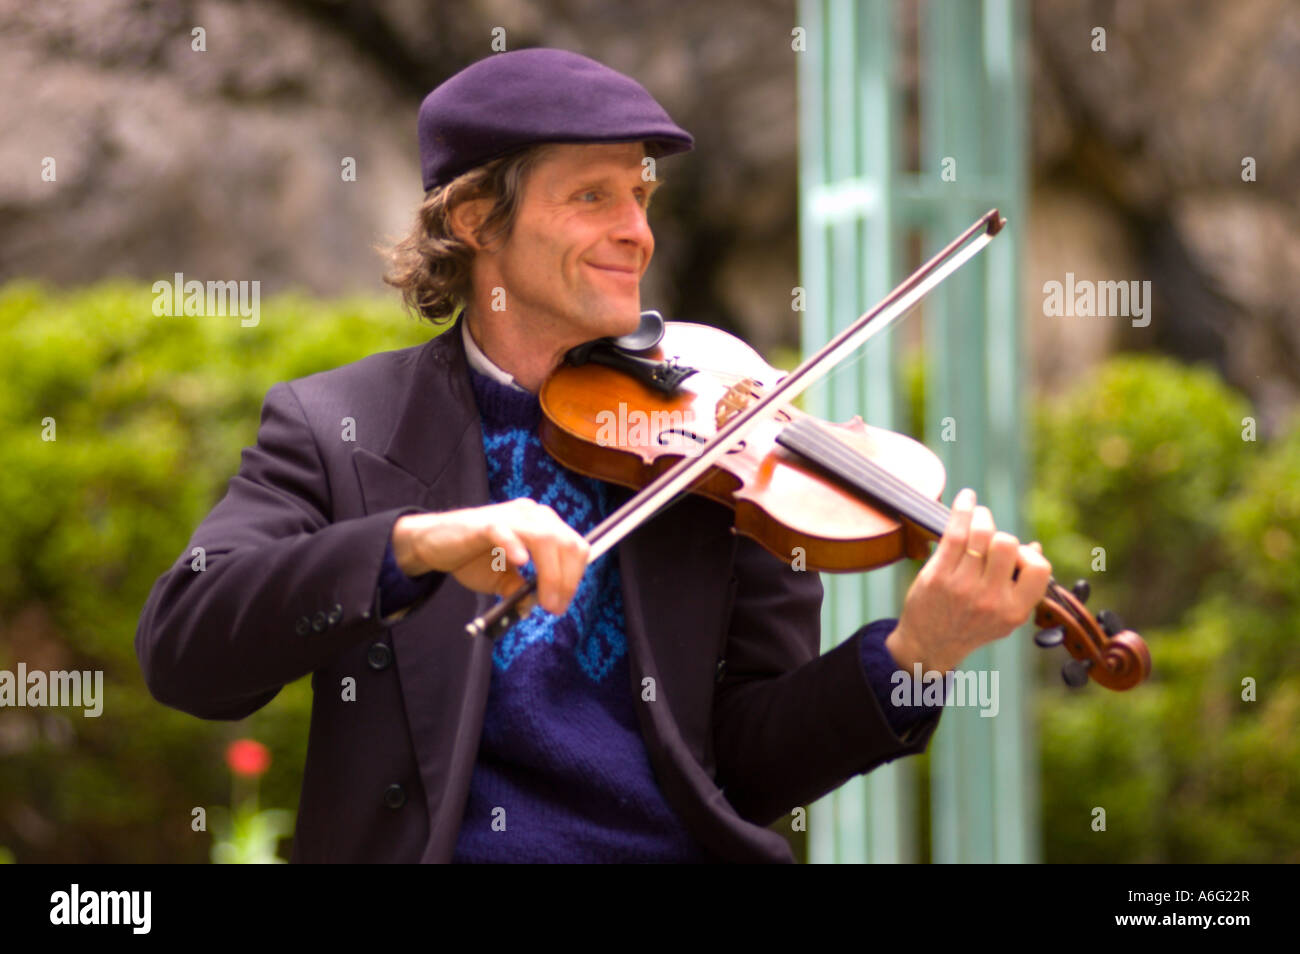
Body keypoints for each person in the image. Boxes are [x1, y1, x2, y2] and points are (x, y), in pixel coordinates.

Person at [135, 48, 1051, 863]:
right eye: (592, 197)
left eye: (641, 196)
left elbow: (745, 766)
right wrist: (410, 545)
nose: (637, 231)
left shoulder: (722, 436)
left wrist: (915, 655)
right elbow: (185, 650)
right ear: (473, 219)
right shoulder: (338, 426)